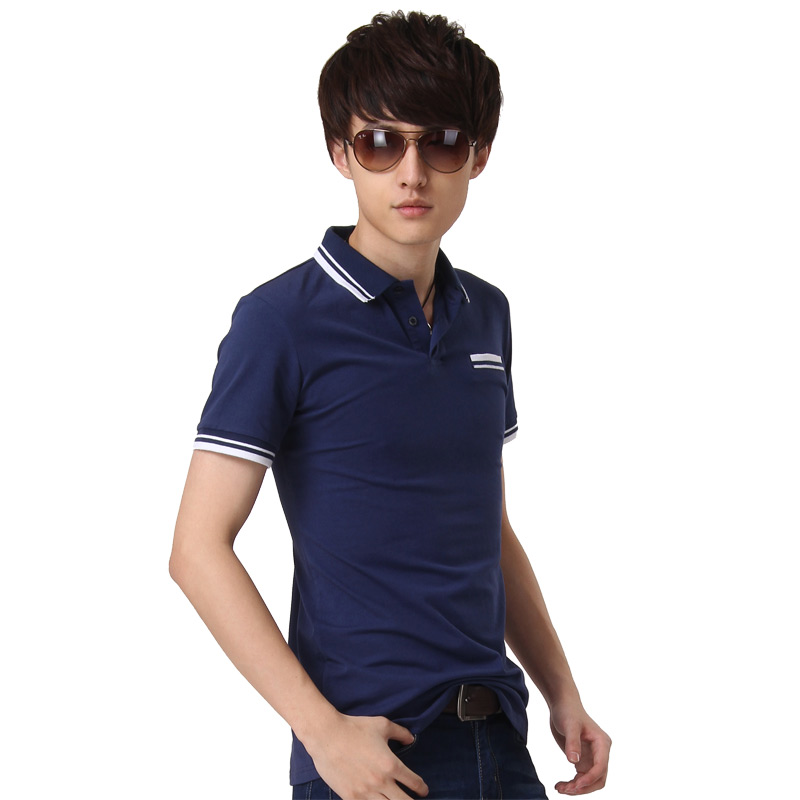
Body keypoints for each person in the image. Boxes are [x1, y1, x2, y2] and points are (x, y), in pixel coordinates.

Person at [170, 11, 611, 799]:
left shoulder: (487, 314)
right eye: (380, 143)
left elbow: (487, 526)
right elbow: (198, 549)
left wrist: (561, 690)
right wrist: (321, 732)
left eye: (440, 142)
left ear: (478, 154)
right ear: (341, 153)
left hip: (498, 742)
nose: (412, 173)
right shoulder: (280, 322)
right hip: (373, 756)